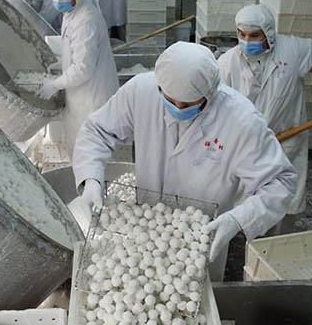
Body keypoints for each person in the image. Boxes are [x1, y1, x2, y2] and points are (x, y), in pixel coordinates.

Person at [71, 42, 297, 281]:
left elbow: (280, 183)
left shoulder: (241, 121)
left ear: (210, 93)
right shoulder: (140, 91)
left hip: (200, 239)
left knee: (192, 299)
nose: (178, 108)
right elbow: (97, 131)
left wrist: (238, 219)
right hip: (143, 230)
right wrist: (91, 179)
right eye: (170, 100)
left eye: (189, 105)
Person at [217, 5, 312, 228]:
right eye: (242, 34)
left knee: (285, 201)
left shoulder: (292, 51)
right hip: (248, 145)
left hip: (286, 140)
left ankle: (279, 246)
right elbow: (215, 104)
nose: (247, 41)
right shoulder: (227, 63)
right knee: (248, 203)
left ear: (268, 33)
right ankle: (251, 241)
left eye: (254, 35)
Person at [38, 0, 119, 157]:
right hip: (81, 95)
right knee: (82, 152)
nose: (59, 0)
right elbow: (76, 50)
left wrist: (55, 84)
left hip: (92, 97)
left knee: (95, 153)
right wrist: (61, 62)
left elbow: (83, 69)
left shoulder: (86, 21)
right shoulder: (72, 13)